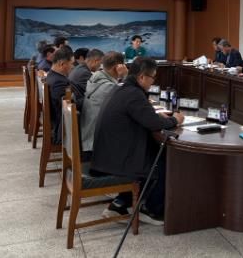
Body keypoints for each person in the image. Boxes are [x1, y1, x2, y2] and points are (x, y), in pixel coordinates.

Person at [91, 58, 184, 222]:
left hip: (107, 152)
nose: (153, 81)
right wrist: (175, 119)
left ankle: (121, 203)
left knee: (154, 151)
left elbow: (143, 115)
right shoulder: (133, 94)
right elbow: (154, 124)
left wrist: (154, 116)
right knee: (163, 161)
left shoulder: (123, 87)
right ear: (141, 77)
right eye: (153, 77)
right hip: (115, 158)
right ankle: (151, 209)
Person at [80, 51, 128, 154]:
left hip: (89, 136)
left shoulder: (95, 78)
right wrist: (125, 76)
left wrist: (120, 78)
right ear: (117, 67)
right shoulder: (108, 87)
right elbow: (130, 98)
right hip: (97, 142)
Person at [46, 46, 74, 144]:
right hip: (61, 126)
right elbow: (67, 106)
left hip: (58, 120)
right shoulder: (59, 82)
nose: (73, 67)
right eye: (71, 63)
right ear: (62, 64)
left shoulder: (52, 76)